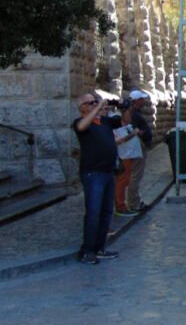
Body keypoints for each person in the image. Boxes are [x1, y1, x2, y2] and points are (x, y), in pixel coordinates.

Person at [72, 93, 123, 264]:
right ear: (83, 108)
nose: (96, 104)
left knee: (106, 213)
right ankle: (87, 251)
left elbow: (124, 120)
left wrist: (123, 105)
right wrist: (98, 107)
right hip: (93, 174)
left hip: (108, 173)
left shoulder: (105, 122)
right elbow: (81, 127)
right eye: (92, 102)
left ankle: (100, 248)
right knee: (93, 213)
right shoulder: (80, 122)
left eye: (96, 101)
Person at [125, 90, 152, 212]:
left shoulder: (135, 112)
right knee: (135, 175)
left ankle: (134, 201)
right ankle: (133, 203)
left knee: (135, 175)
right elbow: (132, 130)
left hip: (140, 146)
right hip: (139, 147)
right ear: (136, 101)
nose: (144, 101)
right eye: (141, 99)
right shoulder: (133, 114)